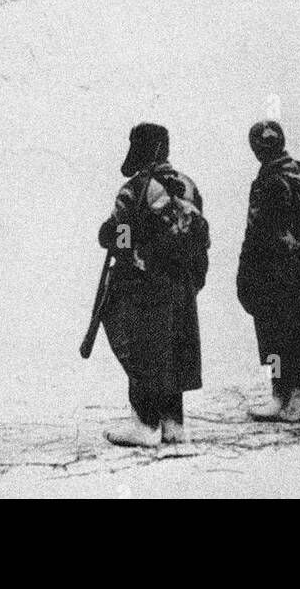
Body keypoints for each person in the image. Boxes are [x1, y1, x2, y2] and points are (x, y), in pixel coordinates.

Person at [98, 122, 209, 448]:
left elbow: (120, 235)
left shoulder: (135, 188)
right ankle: (175, 425)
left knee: (143, 350)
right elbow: (202, 240)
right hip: (182, 282)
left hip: (143, 283)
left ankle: (145, 424)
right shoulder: (188, 185)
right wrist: (195, 278)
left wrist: (109, 236)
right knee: (174, 349)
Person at [236, 120, 300, 422]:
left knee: (274, 338)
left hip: (274, 270)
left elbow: (258, 231)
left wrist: (245, 270)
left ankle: (283, 396)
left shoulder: (268, 180)